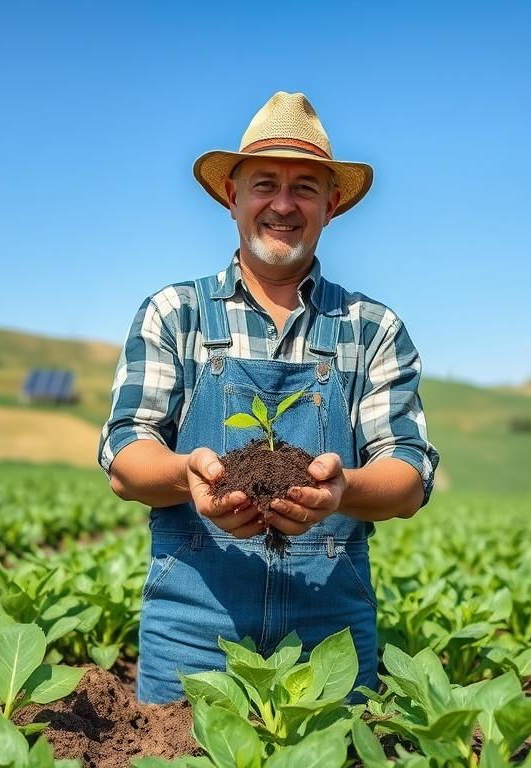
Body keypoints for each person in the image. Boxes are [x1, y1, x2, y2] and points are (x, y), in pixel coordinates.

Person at [98, 91, 439, 704]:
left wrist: (343, 492)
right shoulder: (175, 314)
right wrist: (187, 475)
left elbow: (409, 476)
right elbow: (126, 456)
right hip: (193, 639)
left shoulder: (373, 326)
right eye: (264, 184)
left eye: (305, 187)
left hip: (328, 642)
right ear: (233, 196)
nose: (282, 205)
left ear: (331, 206)